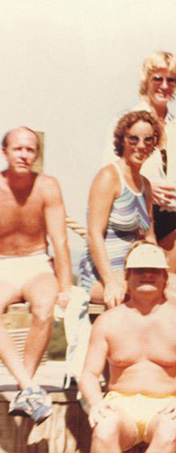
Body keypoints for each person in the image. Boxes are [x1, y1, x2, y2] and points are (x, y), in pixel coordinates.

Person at [79, 242, 176, 452]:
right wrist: (95, 402)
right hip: (120, 403)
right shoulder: (108, 321)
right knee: (104, 429)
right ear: (127, 277)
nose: (147, 275)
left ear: (165, 277)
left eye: (154, 270)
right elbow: (89, 373)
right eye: (140, 270)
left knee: (168, 430)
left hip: (165, 403)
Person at [79, 110, 176, 309]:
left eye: (148, 140)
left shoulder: (145, 185)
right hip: (102, 275)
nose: (141, 146)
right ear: (122, 141)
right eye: (133, 139)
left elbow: (149, 238)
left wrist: (162, 274)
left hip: (137, 270)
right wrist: (110, 282)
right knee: (175, 300)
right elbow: (94, 234)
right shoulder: (109, 177)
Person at [0, 127, 71, 423]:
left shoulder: (47, 186)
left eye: (30, 150)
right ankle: (29, 385)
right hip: (2, 263)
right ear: (5, 152)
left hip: (36, 262)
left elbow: (60, 240)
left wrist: (65, 286)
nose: (24, 155)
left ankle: (25, 385)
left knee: (44, 308)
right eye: (18, 149)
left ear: (36, 155)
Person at [102, 51, 176, 272]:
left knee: (169, 287)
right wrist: (149, 188)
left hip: (172, 218)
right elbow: (110, 170)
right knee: (135, 287)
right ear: (146, 81)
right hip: (135, 217)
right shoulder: (124, 122)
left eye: (171, 80)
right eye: (158, 79)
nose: (164, 85)